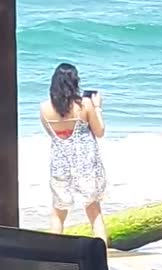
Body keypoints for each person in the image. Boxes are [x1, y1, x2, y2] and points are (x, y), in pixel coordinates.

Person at [40, 63, 108, 245]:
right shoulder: (84, 105)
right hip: (85, 163)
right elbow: (99, 131)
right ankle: (101, 260)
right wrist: (98, 107)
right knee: (94, 214)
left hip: (60, 164)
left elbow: (54, 136)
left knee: (58, 215)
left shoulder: (45, 108)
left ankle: (54, 260)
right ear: (74, 82)